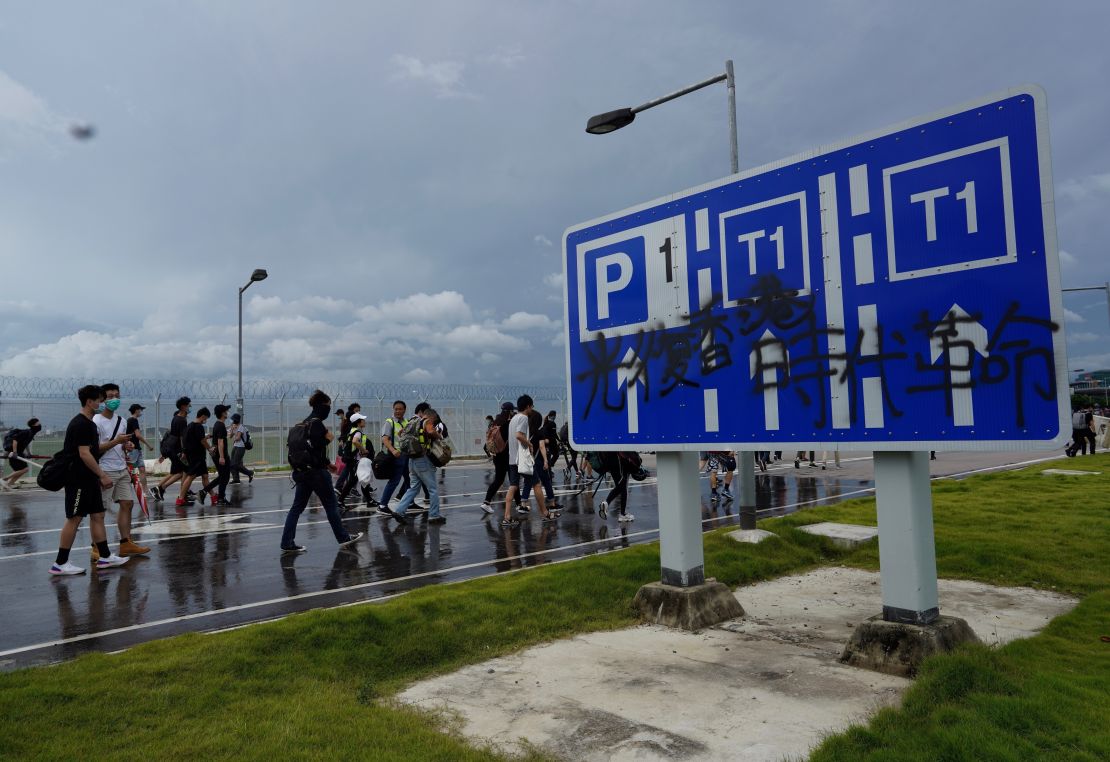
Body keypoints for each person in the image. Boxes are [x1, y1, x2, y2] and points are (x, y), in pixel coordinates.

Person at [49, 385, 129, 575]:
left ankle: (105, 556)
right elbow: (84, 454)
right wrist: (102, 474)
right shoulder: (81, 424)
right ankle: (60, 563)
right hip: (78, 479)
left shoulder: (88, 423)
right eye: (100, 400)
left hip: (89, 478)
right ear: (89, 402)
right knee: (74, 519)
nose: (102, 403)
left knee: (97, 515)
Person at [280, 389, 363, 553]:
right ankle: (343, 538)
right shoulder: (316, 423)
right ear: (322, 406)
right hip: (316, 473)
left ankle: (286, 542)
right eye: (328, 406)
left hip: (300, 471)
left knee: (296, 508)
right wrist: (326, 461)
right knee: (331, 505)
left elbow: (312, 449)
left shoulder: (301, 424)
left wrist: (326, 462)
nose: (328, 409)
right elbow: (322, 444)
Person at [92, 383, 150, 560]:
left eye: (116, 395)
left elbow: (120, 445)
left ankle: (126, 543)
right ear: (102, 399)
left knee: (127, 504)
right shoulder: (96, 421)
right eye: (110, 396)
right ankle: (96, 548)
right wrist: (116, 441)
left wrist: (126, 445)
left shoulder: (121, 421)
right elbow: (94, 450)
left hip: (121, 468)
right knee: (99, 511)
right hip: (104, 469)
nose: (114, 399)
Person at [502, 395, 559, 527]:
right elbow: (518, 436)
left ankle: (507, 516)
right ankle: (545, 513)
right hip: (522, 459)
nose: (532, 408)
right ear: (527, 406)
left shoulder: (513, 419)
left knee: (513, 486)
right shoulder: (523, 418)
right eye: (532, 406)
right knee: (537, 484)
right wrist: (529, 444)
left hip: (513, 459)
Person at [390, 407, 446, 524]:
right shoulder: (427, 421)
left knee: (413, 488)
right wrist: (439, 436)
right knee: (433, 489)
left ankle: (399, 511)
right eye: (434, 419)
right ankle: (434, 515)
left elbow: (400, 433)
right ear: (431, 416)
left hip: (412, 459)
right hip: (423, 459)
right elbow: (431, 431)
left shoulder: (412, 422)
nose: (434, 422)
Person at [155, 396, 191, 501]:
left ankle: (183, 492)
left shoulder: (175, 418)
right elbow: (181, 437)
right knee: (182, 472)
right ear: (183, 406)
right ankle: (163, 488)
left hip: (171, 448)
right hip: (177, 449)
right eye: (189, 405)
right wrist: (184, 451)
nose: (190, 406)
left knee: (180, 471)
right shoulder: (182, 421)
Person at [177, 407, 214, 508]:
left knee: (205, 476)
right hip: (197, 456)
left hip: (194, 455)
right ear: (203, 416)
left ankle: (213, 496)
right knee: (191, 476)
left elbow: (189, 439)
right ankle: (180, 498)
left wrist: (185, 452)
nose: (205, 420)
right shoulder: (198, 426)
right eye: (206, 418)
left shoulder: (190, 425)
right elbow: (202, 441)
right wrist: (210, 449)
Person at [482, 402, 515, 514]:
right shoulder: (507, 423)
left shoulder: (495, 422)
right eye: (512, 411)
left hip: (497, 454)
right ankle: (520, 505)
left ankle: (486, 502)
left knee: (499, 479)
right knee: (513, 481)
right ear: (509, 411)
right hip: (506, 455)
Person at [378, 400, 410, 515]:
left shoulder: (406, 422)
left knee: (409, 480)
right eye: (395, 409)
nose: (397, 411)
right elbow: (385, 439)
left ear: (404, 410)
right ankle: (382, 505)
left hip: (406, 456)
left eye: (400, 409)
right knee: (394, 481)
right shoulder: (389, 422)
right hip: (396, 456)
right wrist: (393, 450)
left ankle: (409, 502)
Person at [124, 404, 154, 500]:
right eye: (140, 410)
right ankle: (121, 492)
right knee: (128, 471)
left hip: (136, 449)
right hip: (133, 450)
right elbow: (138, 435)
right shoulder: (133, 420)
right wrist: (148, 445)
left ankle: (145, 492)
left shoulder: (129, 420)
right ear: (136, 410)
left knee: (141, 470)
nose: (141, 412)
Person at [2, 418, 41, 489]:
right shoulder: (27, 432)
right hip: (14, 453)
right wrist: (14, 452)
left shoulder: (31, 434)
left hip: (18, 453)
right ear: (33, 425)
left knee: (19, 472)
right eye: (38, 424)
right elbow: (15, 440)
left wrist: (29, 454)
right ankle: (5, 478)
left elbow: (25, 444)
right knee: (25, 469)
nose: (40, 425)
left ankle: (7, 486)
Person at [207, 405, 232, 505]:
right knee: (224, 477)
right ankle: (220, 498)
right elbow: (220, 441)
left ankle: (205, 491)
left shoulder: (218, 424)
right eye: (226, 411)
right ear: (222, 413)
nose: (227, 412)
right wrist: (222, 457)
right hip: (221, 455)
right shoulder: (220, 425)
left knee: (223, 477)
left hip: (216, 454)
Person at [597, 452, 634, 522]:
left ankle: (606, 503)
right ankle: (622, 514)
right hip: (617, 460)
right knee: (623, 487)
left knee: (620, 487)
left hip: (609, 460)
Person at [228, 413, 255, 484]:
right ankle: (236, 479)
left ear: (236, 420)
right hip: (235, 446)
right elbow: (230, 436)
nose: (232, 421)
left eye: (233, 420)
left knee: (236, 464)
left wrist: (234, 433)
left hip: (241, 447)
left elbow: (238, 438)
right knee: (231, 464)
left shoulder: (241, 427)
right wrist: (232, 429)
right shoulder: (234, 427)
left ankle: (250, 473)